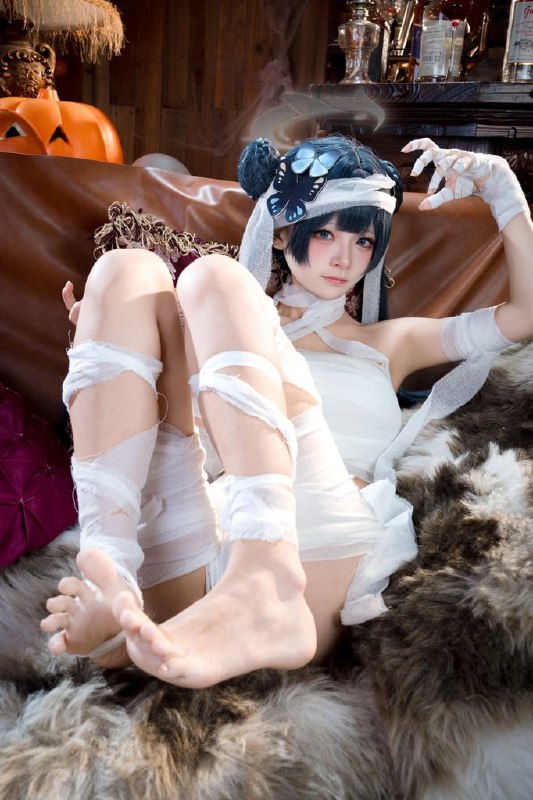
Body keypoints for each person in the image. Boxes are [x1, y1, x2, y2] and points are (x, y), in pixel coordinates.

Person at [40, 136, 533, 689]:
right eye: (324, 233)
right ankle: (111, 574)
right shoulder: (214, 321)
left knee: (213, 276)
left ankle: (264, 573)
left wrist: (503, 190)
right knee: (122, 273)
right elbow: (184, 432)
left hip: (315, 548)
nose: (343, 258)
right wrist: (116, 333)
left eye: (363, 240)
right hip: (208, 529)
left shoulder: (392, 343)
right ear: (280, 233)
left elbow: (525, 314)